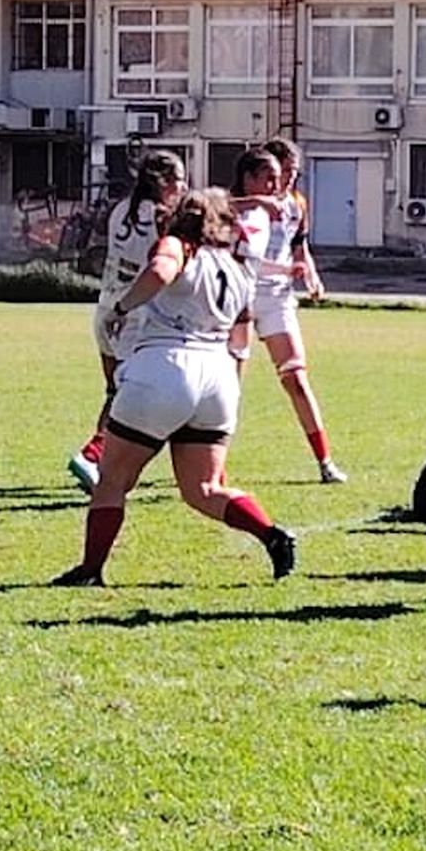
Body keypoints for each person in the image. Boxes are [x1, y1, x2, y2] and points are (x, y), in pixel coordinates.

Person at [53, 188, 296, 586]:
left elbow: (160, 271)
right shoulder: (236, 265)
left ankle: (90, 569)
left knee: (113, 480)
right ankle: (271, 534)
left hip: (164, 367)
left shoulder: (179, 245)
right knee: (204, 489)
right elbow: (242, 330)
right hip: (218, 375)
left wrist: (120, 308)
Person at [69, 150, 187, 493]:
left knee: (113, 391)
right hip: (131, 315)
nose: (183, 187)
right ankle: (92, 454)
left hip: (105, 308)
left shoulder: (121, 208)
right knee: (127, 397)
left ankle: (102, 464)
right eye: (179, 180)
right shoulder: (163, 217)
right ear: (163, 182)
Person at [234, 139, 347, 484]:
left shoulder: (296, 205)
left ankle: (325, 462)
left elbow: (299, 248)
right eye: (282, 174)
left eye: (293, 175)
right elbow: (241, 253)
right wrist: (286, 270)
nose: (286, 182)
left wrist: (311, 275)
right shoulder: (243, 205)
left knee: (296, 378)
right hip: (240, 295)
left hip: (278, 297)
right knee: (228, 383)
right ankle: (210, 461)